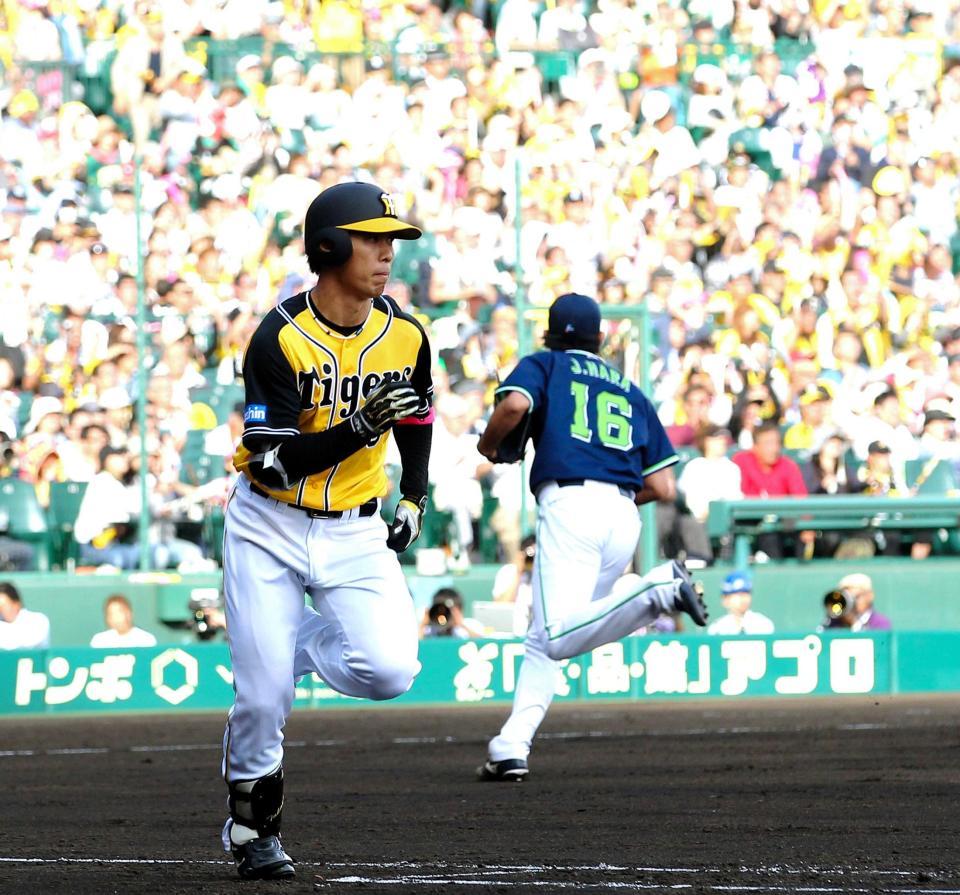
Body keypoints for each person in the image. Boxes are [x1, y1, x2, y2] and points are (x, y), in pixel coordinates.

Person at [218, 182, 433, 881]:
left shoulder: (406, 333)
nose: (387, 253)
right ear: (330, 247)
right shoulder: (278, 337)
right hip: (268, 524)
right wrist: (359, 427)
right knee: (261, 697)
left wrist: (415, 496)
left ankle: (281, 647)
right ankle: (252, 828)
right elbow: (273, 461)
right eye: (372, 239)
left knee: (391, 670)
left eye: (391, 240)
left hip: (355, 528)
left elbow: (417, 415)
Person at [475, 293, 707, 783]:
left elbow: (515, 404)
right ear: (600, 338)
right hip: (623, 513)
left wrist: (488, 445)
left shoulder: (546, 364)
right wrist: (613, 495)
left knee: (558, 636)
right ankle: (512, 745)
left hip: (571, 506)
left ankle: (658, 590)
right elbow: (664, 486)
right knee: (547, 638)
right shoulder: (630, 389)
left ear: (550, 334)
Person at [707, 571, 774, 635]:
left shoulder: (763, 624)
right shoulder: (717, 628)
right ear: (725, 599)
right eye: (739, 595)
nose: (744, 599)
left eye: (746, 594)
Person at [821, 572, 892, 631]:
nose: (852, 602)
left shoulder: (879, 623)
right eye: (847, 597)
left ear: (870, 596)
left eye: (856, 597)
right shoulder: (832, 623)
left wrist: (854, 622)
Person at [89, 593, 158, 648]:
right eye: (112, 614)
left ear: (129, 613)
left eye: (119, 612)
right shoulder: (99, 640)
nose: (116, 618)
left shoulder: (146, 639)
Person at [0, 582, 50, 650]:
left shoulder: (38, 620)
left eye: (3, 606)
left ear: (16, 604)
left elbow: (26, 645)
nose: (1, 610)